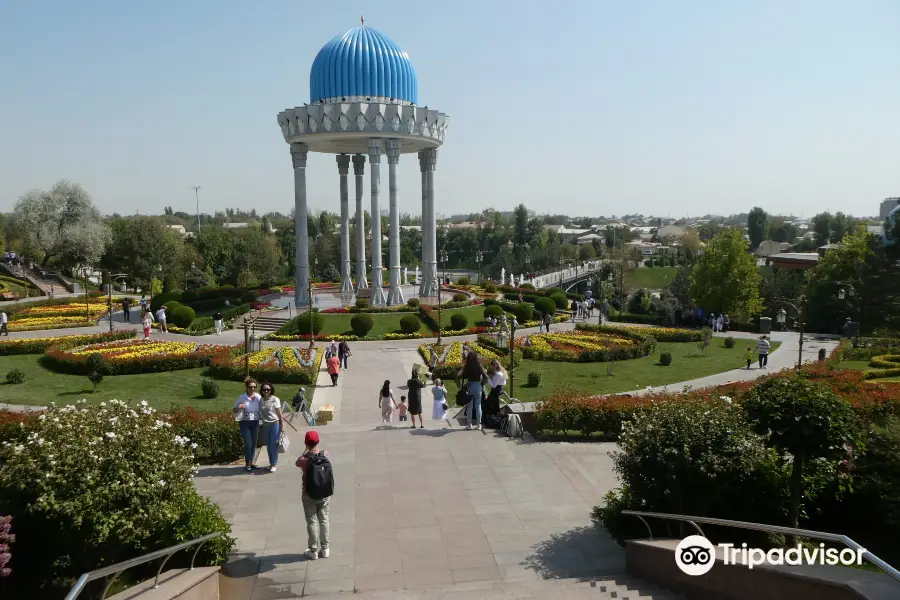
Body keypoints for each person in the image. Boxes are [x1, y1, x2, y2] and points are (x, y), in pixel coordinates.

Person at [294, 431, 332, 560]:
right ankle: (325, 548)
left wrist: (306, 451)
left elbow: (297, 463)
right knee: (324, 520)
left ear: (306, 443)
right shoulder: (325, 454)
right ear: (318, 441)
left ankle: (313, 550)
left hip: (308, 494)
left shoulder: (303, 460)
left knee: (312, 521)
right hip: (324, 494)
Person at [233, 378, 262, 471]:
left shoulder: (258, 397)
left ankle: (251, 462)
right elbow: (234, 410)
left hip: (255, 422)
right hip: (245, 423)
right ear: (246, 387)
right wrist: (238, 407)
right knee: (248, 443)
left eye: (254, 387)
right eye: (250, 387)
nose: (252, 389)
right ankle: (247, 463)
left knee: (254, 443)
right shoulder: (242, 397)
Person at [457, 351, 488, 431]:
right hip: (478, 386)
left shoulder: (466, 367)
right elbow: (486, 377)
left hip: (470, 386)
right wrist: (482, 384)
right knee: (478, 406)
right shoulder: (479, 366)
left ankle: (469, 424)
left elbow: (457, 375)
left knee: (469, 406)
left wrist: (459, 385)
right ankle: (478, 425)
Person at [259, 382, 284, 472]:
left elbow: (279, 414)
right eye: (264, 389)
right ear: (262, 391)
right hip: (266, 425)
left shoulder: (275, 399)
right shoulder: (261, 400)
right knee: (268, 446)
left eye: (268, 389)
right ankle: (271, 463)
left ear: (271, 390)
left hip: (274, 424)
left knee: (273, 445)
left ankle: (274, 464)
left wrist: (282, 425)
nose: (266, 391)